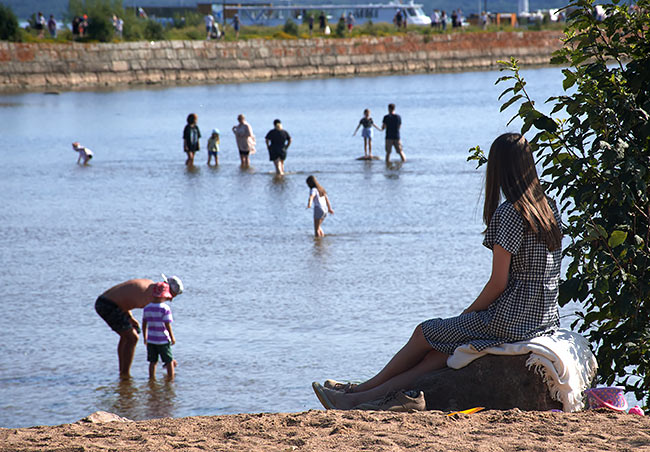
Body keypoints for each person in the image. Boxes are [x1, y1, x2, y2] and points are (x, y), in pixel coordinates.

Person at [311, 133, 563, 411]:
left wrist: (469, 313)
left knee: (423, 333)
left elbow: (498, 284)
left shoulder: (510, 213)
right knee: (436, 352)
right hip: (544, 317)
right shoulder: (549, 208)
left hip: (512, 319)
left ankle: (359, 391)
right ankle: (360, 395)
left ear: (499, 168)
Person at [95, 275, 184, 379]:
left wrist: (130, 317)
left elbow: (125, 298)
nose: (169, 300)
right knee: (132, 337)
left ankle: (122, 372)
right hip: (107, 305)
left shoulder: (149, 285)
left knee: (128, 335)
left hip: (107, 301)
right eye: (170, 297)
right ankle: (125, 374)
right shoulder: (152, 297)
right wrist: (168, 358)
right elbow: (157, 327)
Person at [142, 281, 177, 380]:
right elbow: (167, 324)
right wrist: (172, 337)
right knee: (169, 360)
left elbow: (144, 324)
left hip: (151, 340)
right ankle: (171, 378)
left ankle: (151, 378)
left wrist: (145, 337)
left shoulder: (147, 308)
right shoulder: (165, 308)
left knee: (153, 361)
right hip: (163, 340)